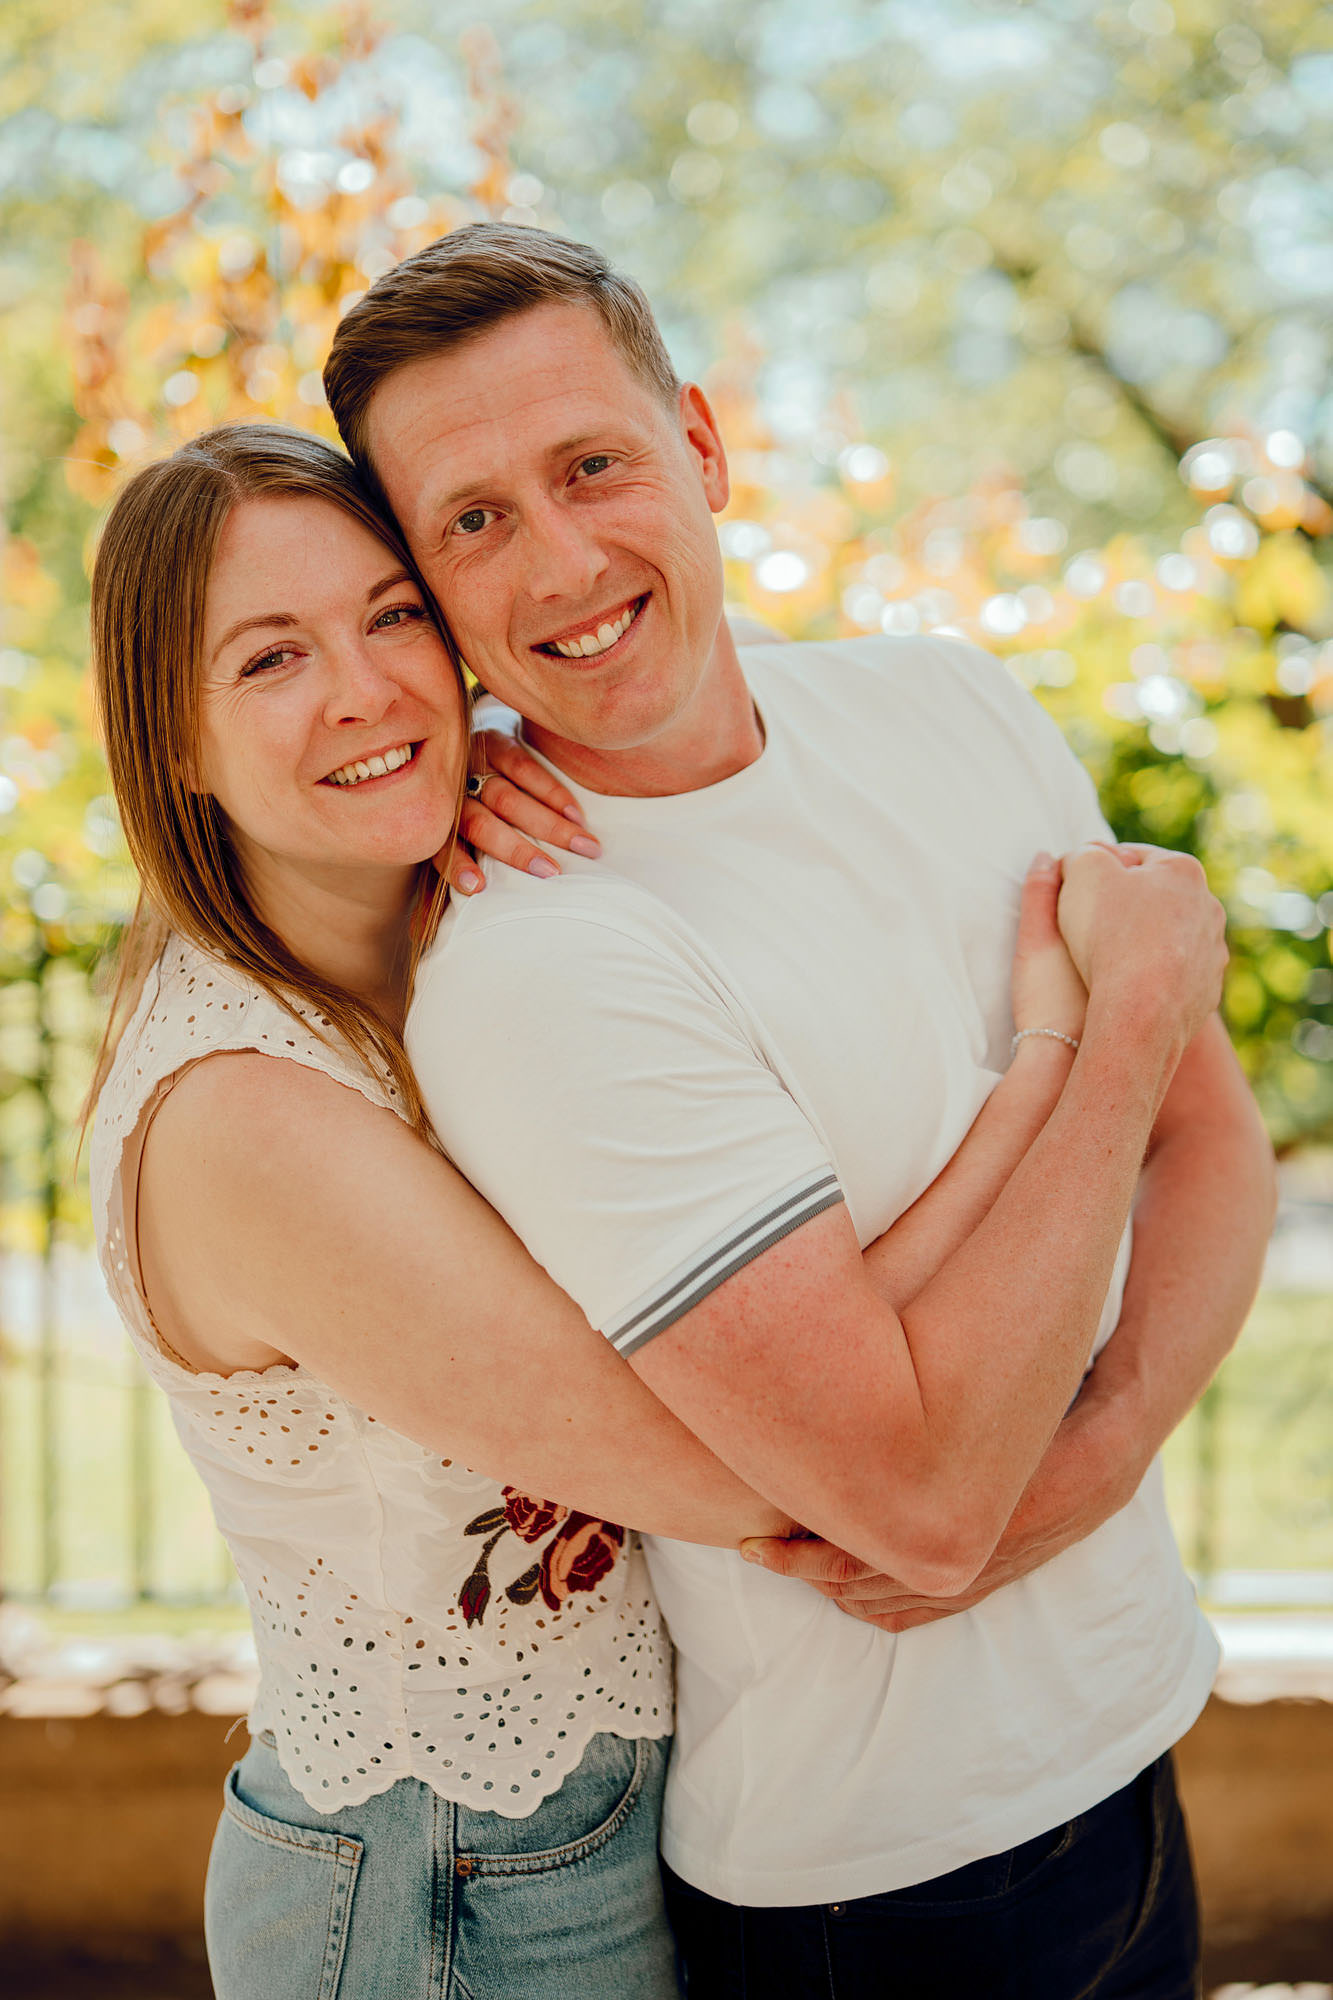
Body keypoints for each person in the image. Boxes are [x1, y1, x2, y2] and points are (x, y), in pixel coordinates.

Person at [87, 422, 1187, 1998]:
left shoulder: (462, 941)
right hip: (439, 1873)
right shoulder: (248, 1121)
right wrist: (1050, 1067)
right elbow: (783, 1459)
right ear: (172, 741)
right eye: (268, 660)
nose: (362, 690)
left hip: (584, 1828)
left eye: (392, 616)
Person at [323, 223, 1275, 1997]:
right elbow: (912, 1507)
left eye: (590, 465)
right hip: (882, 1894)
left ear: (700, 443)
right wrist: (1114, 1026)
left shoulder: (949, 704)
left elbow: (1210, 1143)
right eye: (471, 521)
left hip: (1135, 1737)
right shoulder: (541, 963)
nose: (558, 556)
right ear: (430, 590)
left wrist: (1104, 1448)